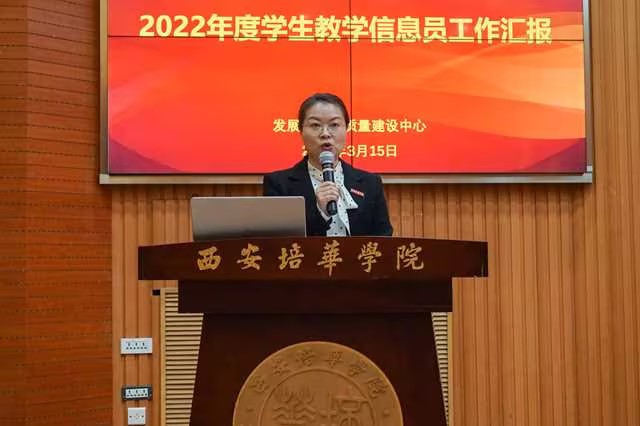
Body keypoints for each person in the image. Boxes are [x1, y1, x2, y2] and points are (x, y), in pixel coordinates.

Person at [263, 93, 393, 236]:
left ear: (346, 129)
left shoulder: (370, 183)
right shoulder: (279, 184)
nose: (325, 133)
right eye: (315, 125)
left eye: (334, 125)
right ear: (301, 130)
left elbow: (384, 237)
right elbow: (278, 241)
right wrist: (320, 213)